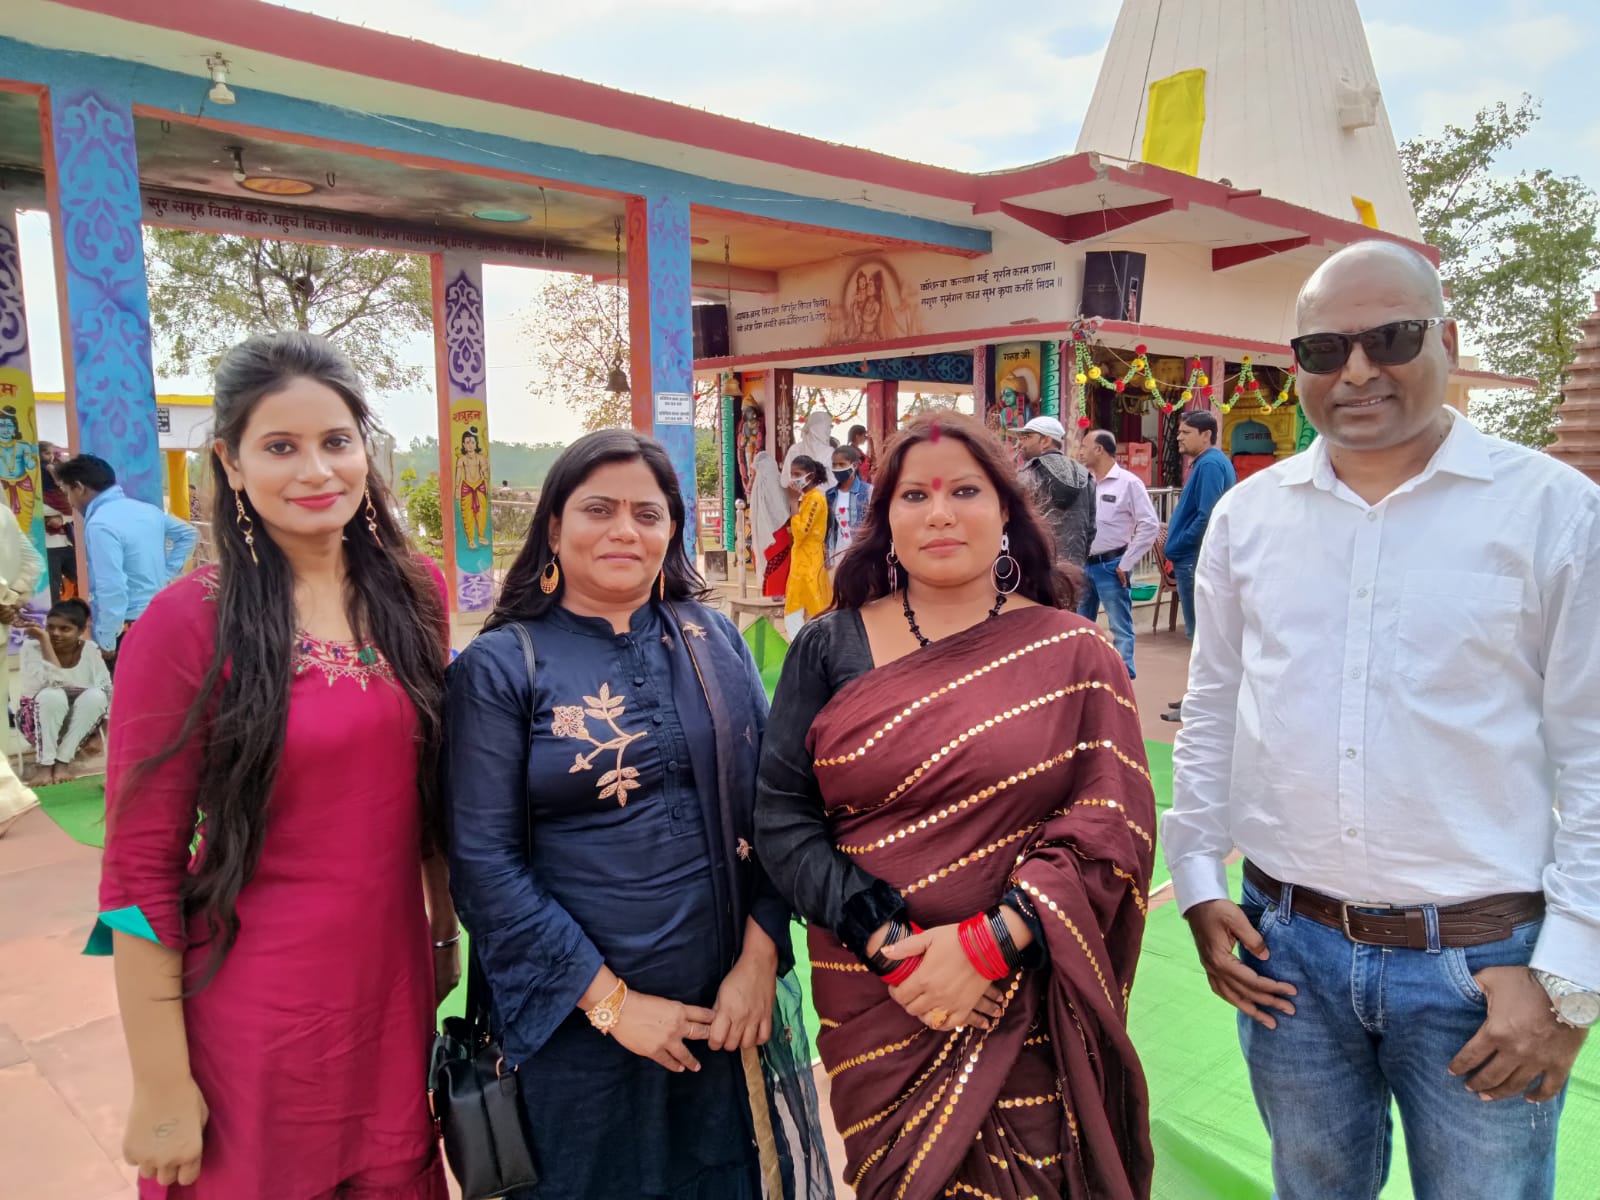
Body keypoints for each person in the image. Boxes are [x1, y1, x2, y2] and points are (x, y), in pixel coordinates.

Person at [1164, 241, 1600, 1200]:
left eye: (1390, 338)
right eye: (1324, 350)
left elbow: (1595, 753)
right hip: (1288, 956)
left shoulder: (1554, 514)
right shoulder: (1249, 519)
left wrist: (1569, 978)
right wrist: (1195, 878)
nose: (1356, 371)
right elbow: (1214, 711)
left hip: (1484, 967)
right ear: (1298, 369)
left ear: (1445, 339)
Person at [93, 331, 457, 1197]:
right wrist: (158, 1081)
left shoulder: (417, 594)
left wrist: (444, 934)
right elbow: (137, 873)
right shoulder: (186, 627)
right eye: (280, 447)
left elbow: (434, 795)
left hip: (392, 996)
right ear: (229, 461)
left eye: (336, 442)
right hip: (253, 1020)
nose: (316, 471)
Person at [756, 412, 1156, 1200]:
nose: (939, 512)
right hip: (879, 996)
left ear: (1005, 511)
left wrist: (991, 943)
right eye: (915, 495)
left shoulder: (1073, 652)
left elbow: (1115, 823)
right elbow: (780, 817)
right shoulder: (828, 647)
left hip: (1024, 997)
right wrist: (884, 939)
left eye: (965, 491)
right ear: (887, 518)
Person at [444, 430, 830, 1200]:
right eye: (598, 509)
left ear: (671, 532)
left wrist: (758, 963)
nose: (625, 529)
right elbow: (484, 865)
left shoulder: (711, 637)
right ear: (553, 528)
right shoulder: (500, 666)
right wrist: (613, 1007)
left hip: (724, 1017)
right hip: (576, 1037)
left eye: (647, 514)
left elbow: (777, 805)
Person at [54, 453, 198, 663]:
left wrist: (107, 640)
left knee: (128, 692)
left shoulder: (100, 524)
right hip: (159, 613)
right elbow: (189, 534)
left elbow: (112, 587)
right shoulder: (148, 510)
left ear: (79, 487)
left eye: (67, 492)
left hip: (128, 627)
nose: (70, 502)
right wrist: (166, 573)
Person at [1159, 409, 1234, 723]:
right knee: (1197, 637)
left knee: (1200, 637)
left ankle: (1198, 704)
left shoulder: (1211, 465)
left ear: (1206, 435)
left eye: (1186, 432)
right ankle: (1193, 698)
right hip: (1190, 558)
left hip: (1195, 558)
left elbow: (1207, 515)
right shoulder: (1205, 464)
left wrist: (1183, 545)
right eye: (1179, 431)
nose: (1178, 437)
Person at [1076, 430, 1159, 680]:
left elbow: (1149, 524)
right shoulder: (1083, 482)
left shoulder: (1128, 483)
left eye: (1084, 446)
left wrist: (1126, 562)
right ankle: (1082, 673)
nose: (1080, 451)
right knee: (1080, 624)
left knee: (1120, 626)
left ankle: (1123, 676)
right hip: (1083, 565)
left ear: (1099, 449)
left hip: (1112, 566)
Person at [18, 598, 110, 785]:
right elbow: (54, 683)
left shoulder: (90, 650)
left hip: (78, 725)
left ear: (81, 631)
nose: (55, 633)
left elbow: (107, 691)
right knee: (53, 695)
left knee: (96, 696)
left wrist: (104, 733)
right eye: (50, 627)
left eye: (64, 629)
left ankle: (62, 763)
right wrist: (44, 641)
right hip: (36, 721)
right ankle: (45, 766)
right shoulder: (32, 647)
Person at [1010, 414, 1096, 567]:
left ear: (1046, 441)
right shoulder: (1084, 474)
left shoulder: (1029, 473)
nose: (1020, 443)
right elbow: (1091, 529)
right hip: (1073, 568)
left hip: (1036, 566)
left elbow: (1016, 521)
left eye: (1027, 437)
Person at [784, 455, 833, 626]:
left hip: (810, 560)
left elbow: (800, 532)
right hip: (801, 559)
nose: (794, 479)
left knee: (814, 606)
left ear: (810, 476)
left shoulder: (815, 499)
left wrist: (792, 502)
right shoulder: (806, 498)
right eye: (792, 474)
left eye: (798, 474)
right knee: (798, 605)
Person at [826, 443, 872, 568]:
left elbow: (876, 523)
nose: (837, 469)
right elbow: (830, 527)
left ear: (854, 465)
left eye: (841, 465)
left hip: (862, 556)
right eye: (834, 465)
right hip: (837, 554)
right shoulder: (830, 494)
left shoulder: (868, 492)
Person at [782, 409, 834, 482]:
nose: (829, 430)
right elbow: (786, 478)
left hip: (799, 492)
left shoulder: (795, 448)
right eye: (829, 426)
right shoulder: (829, 452)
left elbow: (785, 480)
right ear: (820, 428)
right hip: (809, 492)